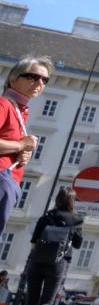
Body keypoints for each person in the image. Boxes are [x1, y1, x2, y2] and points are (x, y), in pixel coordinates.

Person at [18, 187, 83, 305]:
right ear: (72, 201)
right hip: (58, 263)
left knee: (31, 300)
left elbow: (34, 240)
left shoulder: (46, 217)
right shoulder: (76, 220)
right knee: (47, 301)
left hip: (37, 260)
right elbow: (77, 244)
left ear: (57, 199)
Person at [0, 57, 50, 229]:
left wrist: (21, 151)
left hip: (9, 181)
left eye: (45, 80)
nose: (39, 83)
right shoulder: (4, 104)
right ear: (13, 78)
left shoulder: (19, 110)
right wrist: (21, 146)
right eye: (33, 77)